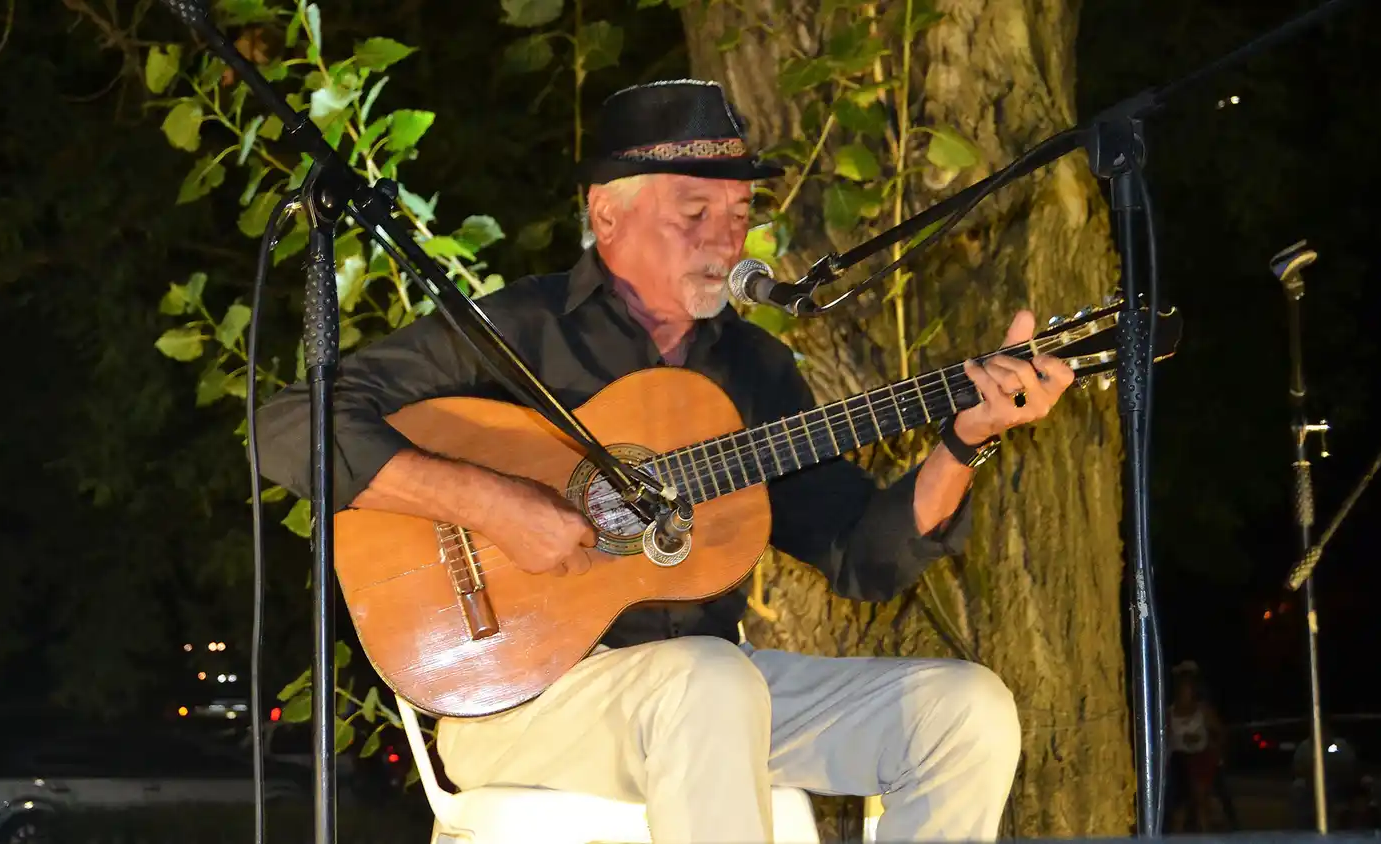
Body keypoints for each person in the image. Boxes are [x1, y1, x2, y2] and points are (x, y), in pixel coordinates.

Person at [256, 79, 1076, 843]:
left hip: (715, 699)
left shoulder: (752, 370)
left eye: (740, 212)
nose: (727, 237)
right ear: (607, 214)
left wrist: (965, 439)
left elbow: (862, 556)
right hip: (521, 699)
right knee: (710, 682)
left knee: (963, 709)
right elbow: (289, 426)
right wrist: (494, 505)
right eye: (695, 211)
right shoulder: (521, 331)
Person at [1165, 662, 1235, 831]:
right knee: (1179, 808)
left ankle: (1210, 832)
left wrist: (1215, 749)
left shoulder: (1203, 710)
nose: (1186, 690)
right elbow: (1165, 740)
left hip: (1202, 758)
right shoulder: (1169, 713)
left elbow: (1220, 733)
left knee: (1203, 800)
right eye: (1183, 686)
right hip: (1179, 761)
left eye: (1189, 686)